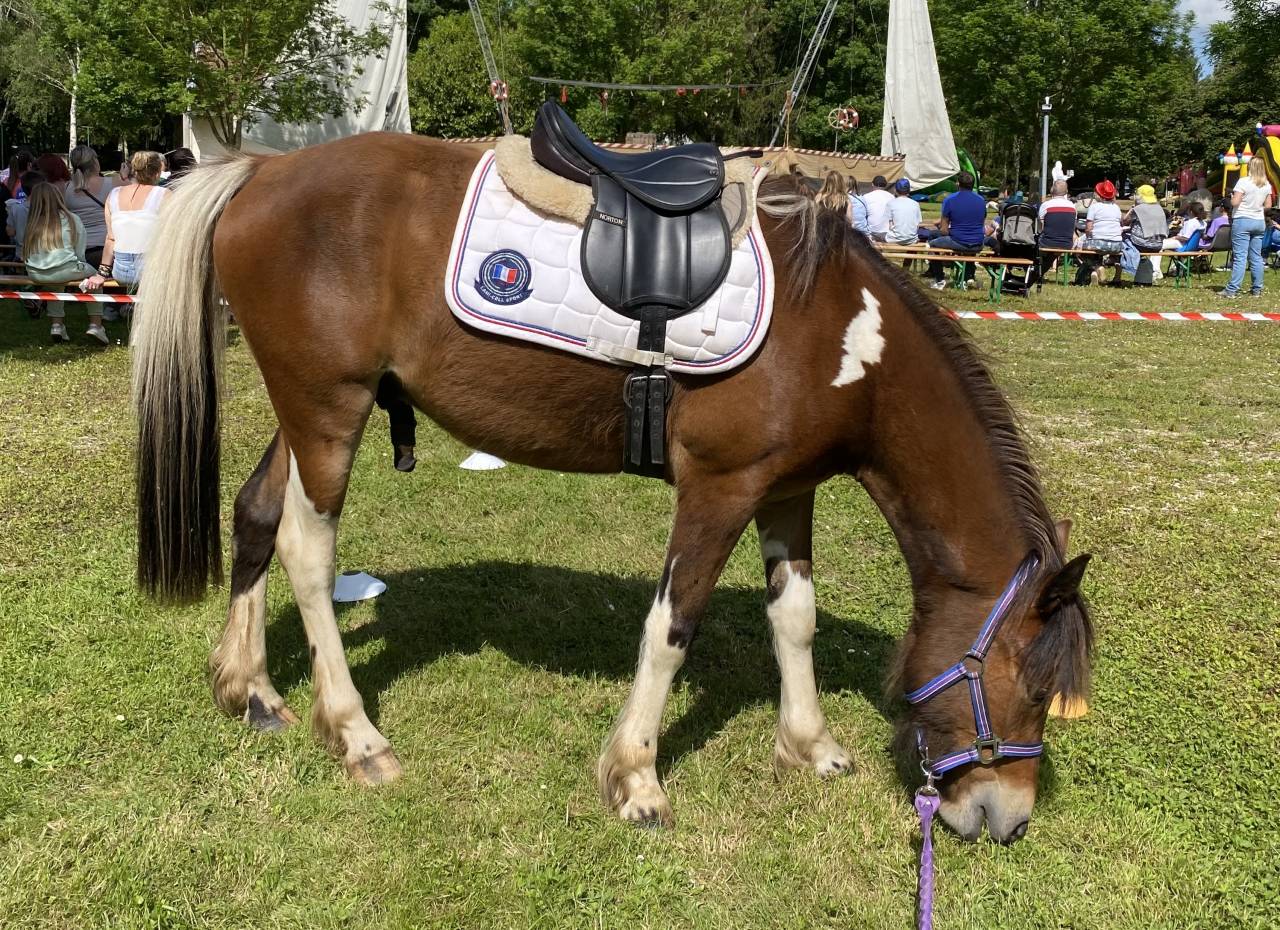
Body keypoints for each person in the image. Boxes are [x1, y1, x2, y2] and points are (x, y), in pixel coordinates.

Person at [22, 182, 106, 344]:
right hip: (66, 268)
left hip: (36, 273)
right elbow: (80, 252)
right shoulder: (71, 219)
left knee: (55, 282)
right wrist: (80, 268)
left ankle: (57, 325)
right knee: (95, 278)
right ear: (58, 197)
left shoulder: (32, 223)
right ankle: (96, 325)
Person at [84, 151, 170, 292]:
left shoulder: (114, 194)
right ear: (157, 173)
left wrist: (101, 274)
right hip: (152, 271)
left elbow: (111, 238)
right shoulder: (164, 194)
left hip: (122, 271)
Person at [1220, 156, 1274, 297]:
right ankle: (1257, 289)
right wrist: (1256, 207)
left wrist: (1232, 196)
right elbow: (1268, 205)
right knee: (1256, 256)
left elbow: (1235, 203)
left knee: (1240, 257)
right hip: (1259, 221)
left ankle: (1232, 289)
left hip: (1242, 219)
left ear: (1250, 167)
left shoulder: (1243, 181)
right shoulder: (1266, 184)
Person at [927, 171, 985, 290]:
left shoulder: (950, 199)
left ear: (958, 184)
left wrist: (949, 231)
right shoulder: (981, 200)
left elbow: (944, 230)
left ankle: (939, 279)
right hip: (978, 243)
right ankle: (968, 275)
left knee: (932, 244)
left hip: (959, 241)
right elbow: (981, 224)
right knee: (969, 242)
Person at [63, 145, 116, 273]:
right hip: (107, 251)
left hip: (77, 252)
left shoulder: (66, 187)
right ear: (94, 162)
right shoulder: (113, 183)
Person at [1078, 180, 1124, 286]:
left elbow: (1089, 228)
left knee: (1082, 251)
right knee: (1115, 255)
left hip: (1098, 242)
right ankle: (1116, 276)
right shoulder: (1116, 208)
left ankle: (1097, 267)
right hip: (1116, 244)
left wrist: (1087, 237)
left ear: (1099, 195)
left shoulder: (1094, 207)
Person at [1123, 184, 1169, 281]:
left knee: (1123, 237)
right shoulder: (1159, 208)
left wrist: (1132, 208)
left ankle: (1123, 264)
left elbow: (1125, 222)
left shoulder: (1138, 209)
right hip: (1158, 245)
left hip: (1141, 244)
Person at [4, 169, 45, 260]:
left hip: (22, 255)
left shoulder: (15, 208)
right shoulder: (47, 208)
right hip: (43, 256)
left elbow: (10, 232)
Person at [886, 178, 922, 245]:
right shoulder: (916, 204)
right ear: (909, 190)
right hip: (912, 239)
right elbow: (917, 225)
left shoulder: (890, 203)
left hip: (894, 239)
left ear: (895, 190)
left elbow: (890, 225)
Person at [862, 175, 895, 241]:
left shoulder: (866, 197)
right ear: (885, 185)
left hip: (872, 233)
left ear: (872, 184)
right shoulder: (892, 197)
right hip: (888, 232)